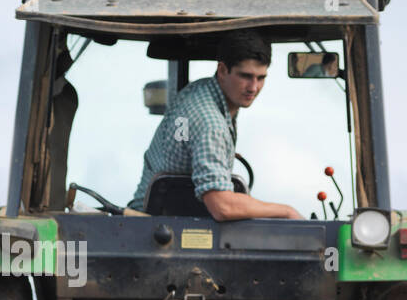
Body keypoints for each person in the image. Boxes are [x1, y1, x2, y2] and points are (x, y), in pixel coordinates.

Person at [129, 31, 303, 220]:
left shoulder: (200, 91)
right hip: (152, 230)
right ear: (222, 71)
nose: (253, 87)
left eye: (261, 78)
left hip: (167, 224)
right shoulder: (210, 124)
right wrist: (287, 211)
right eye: (245, 76)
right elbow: (222, 206)